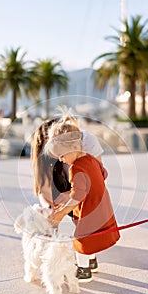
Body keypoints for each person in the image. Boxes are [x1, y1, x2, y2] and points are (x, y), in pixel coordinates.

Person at [45, 122, 120, 283]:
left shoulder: (76, 169)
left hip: (89, 209)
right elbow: (103, 173)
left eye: (62, 156)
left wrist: (61, 213)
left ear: (72, 147)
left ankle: (83, 270)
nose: (61, 160)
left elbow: (77, 196)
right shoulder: (91, 159)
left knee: (80, 240)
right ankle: (92, 262)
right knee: (93, 236)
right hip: (101, 205)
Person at [31, 114, 104, 274]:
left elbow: (98, 176)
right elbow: (43, 188)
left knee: (83, 234)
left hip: (84, 192)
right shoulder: (50, 159)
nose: (58, 157)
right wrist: (49, 209)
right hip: (72, 191)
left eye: (60, 152)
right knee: (83, 227)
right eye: (49, 150)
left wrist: (68, 199)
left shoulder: (85, 148)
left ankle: (85, 268)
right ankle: (89, 260)